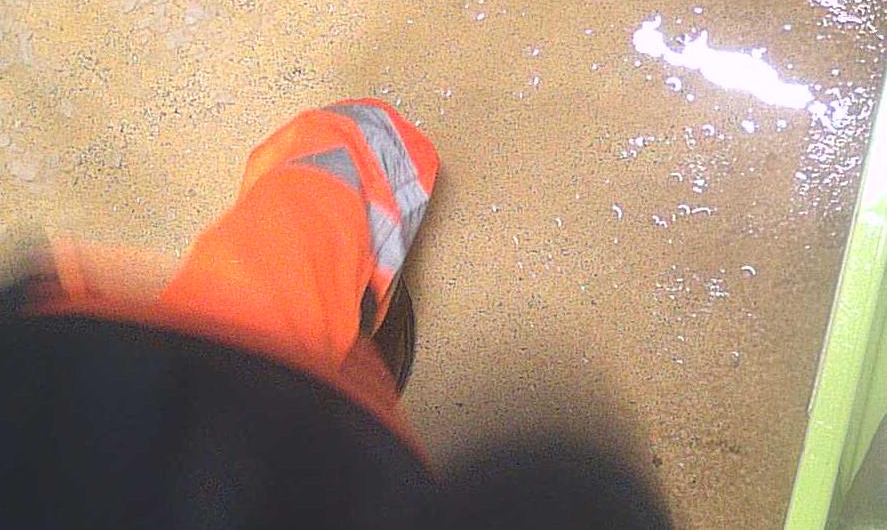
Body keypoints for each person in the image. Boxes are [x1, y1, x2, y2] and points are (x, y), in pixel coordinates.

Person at [0, 100, 668, 529]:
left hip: (122, 409)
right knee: (343, 171)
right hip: (161, 406)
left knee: (327, 198)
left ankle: (356, 346)